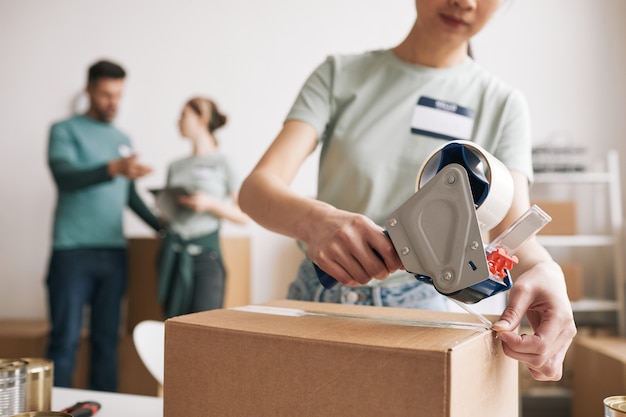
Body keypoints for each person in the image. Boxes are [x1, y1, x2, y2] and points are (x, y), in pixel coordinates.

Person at [239, 0, 576, 381]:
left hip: (425, 315)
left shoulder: (502, 104)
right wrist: (314, 221)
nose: (464, 2)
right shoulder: (340, 75)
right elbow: (255, 190)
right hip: (319, 300)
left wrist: (548, 272)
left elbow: (513, 228)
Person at [46, 59, 161, 391]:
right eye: (106, 94)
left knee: (107, 341)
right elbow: (65, 177)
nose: (113, 103)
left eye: (118, 95)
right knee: (64, 341)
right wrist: (112, 168)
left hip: (113, 253)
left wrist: (164, 226)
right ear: (89, 90)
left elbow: (129, 196)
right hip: (71, 252)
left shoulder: (121, 137)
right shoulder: (64, 130)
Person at [156, 97, 248, 319]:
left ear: (202, 119)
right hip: (173, 255)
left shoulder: (224, 163)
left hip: (206, 258)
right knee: (172, 329)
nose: (178, 121)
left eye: (184, 115)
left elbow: (243, 216)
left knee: (203, 329)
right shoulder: (174, 165)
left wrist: (210, 204)